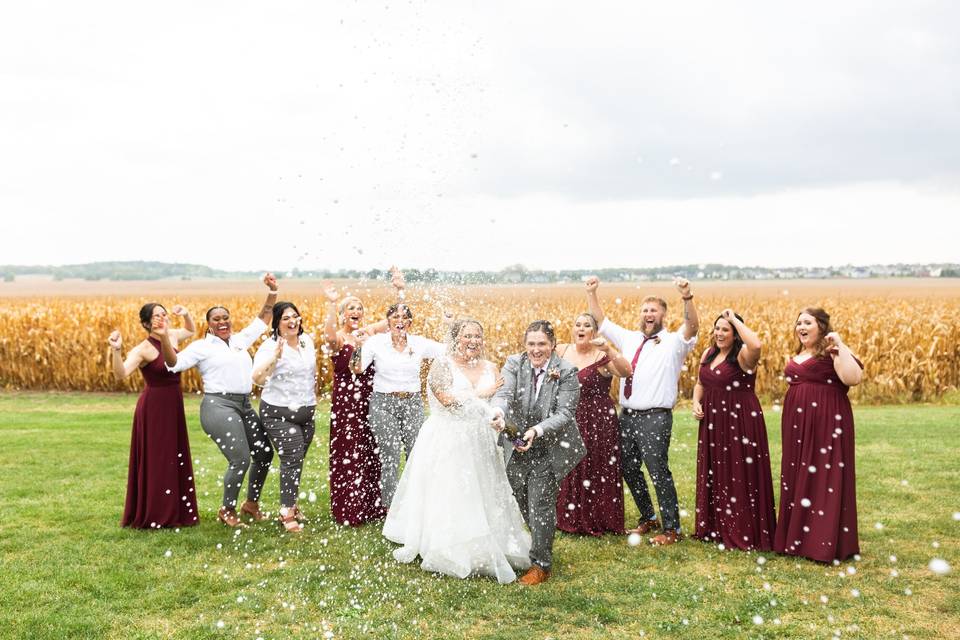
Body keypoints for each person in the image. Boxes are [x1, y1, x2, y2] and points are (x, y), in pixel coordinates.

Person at [383, 320, 532, 583]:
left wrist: (498, 414)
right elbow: (446, 400)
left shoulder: (490, 366)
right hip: (448, 437)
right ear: (456, 338)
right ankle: (450, 545)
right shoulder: (442, 365)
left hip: (480, 438)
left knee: (483, 488)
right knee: (452, 490)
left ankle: (489, 541)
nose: (473, 340)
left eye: (478, 335)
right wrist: (478, 393)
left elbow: (499, 399)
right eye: (467, 336)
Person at [586, 275, 699, 546]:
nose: (648, 314)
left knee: (658, 470)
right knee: (628, 467)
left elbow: (692, 326)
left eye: (653, 310)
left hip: (655, 417)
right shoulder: (629, 338)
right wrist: (592, 293)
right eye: (645, 310)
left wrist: (687, 296)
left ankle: (672, 529)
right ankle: (648, 516)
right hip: (628, 416)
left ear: (663, 315)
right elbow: (600, 322)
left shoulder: (674, 342)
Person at [159, 274, 278, 527]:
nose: (222, 322)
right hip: (218, 406)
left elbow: (265, 317)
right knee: (241, 459)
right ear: (209, 324)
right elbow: (173, 364)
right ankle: (227, 510)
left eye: (225, 318)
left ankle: (251, 504)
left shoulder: (239, 340)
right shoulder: (201, 347)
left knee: (264, 453)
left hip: (244, 405)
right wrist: (163, 339)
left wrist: (272, 291)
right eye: (217, 319)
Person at [491, 320, 585, 585]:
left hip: (548, 447)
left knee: (540, 504)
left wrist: (536, 431)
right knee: (522, 501)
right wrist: (497, 413)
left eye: (542, 343)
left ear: (553, 345)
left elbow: (565, 413)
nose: (536, 349)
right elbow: (504, 394)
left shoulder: (566, 371)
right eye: (531, 344)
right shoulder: (513, 364)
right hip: (516, 444)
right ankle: (541, 543)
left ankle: (541, 564)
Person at [774, 307, 863, 562]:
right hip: (797, 424)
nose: (801, 327)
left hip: (827, 421)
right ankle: (797, 538)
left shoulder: (832, 352)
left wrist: (840, 345)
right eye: (798, 323)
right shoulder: (799, 354)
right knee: (799, 474)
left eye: (807, 323)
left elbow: (853, 377)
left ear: (821, 326)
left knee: (825, 474)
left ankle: (820, 542)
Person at [321, 268, 405, 525]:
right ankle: (350, 508)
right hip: (347, 403)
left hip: (371, 398)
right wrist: (332, 302)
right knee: (350, 451)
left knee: (372, 449)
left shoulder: (369, 333)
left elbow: (396, 318)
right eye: (350, 308)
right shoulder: (339, 338)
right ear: (342, 315)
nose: (355, 312)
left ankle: (374, 506)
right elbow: (328, 334)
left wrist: (399, 291)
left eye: (359, 308)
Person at [108, 303, 198, 529]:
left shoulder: (173, 337)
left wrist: (186, 314)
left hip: (173, 404)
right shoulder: (143, 349)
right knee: (158, 458)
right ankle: (157, 512)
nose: (161, 319)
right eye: (156, 316)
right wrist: (116, 350)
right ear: (147, 323)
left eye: (164, 315)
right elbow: (121, 374)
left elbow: (191, 330)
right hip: (154, 407)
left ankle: (177, 510)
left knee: (174, 454)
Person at [691, 309, 775, 550]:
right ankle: (715, 526)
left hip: (739, 421)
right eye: (717, 328)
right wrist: (696, 402)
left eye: (725, 329)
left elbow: (757, 344)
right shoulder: (708, 353)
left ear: (736, 333)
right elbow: (700, 384)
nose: (719, 333)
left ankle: (742, 528)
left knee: (738, 473)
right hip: (712, 422)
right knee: (716, 470)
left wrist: (736, 321)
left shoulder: (744, 357)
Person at [359, 302, 448, 510]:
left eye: (404, 317)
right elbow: (357, 368)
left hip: (412, 403)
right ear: (387, 321)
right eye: (395, 317)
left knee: (415, 453)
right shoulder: (375, 343)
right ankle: (391, 508)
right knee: (390, 455)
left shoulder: (418, 343)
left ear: (410, 322)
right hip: (383, 403)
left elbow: (447, 350)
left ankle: (413, 505)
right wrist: (359, 346)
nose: (400, 320)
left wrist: (448, 325)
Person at [554, 312, 633, 535]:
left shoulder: (602, 356)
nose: (581, 329)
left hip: (597, 418)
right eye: (577, 324)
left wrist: (609, 349)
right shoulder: (561, 350)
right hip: (568, 415)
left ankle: (598, 516)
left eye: (586, 325)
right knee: (570, 464)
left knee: (596, 464)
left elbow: (627, 371)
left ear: (594, 332)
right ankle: (569, 515)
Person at [252, 302, 317, 533]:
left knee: (297, 461)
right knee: (292, 457)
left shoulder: (306, 341)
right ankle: (286, 512)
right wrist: (275, 358)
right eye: (285, 318)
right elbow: (257, 378)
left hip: (306, 413)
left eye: (295, 316)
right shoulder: (270, 347)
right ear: (277, 323)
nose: (292, 321)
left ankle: (290, 504)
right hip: (278, 413)